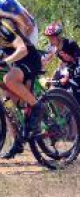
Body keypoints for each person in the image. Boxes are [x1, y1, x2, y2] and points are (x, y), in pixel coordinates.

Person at [0, 18, 43, 159]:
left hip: (29, 59)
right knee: (8, 102)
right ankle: (18, 140)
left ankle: (37, 106)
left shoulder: (4, 26)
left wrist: (5, 61)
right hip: (17, 63)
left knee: (9, 79)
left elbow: (22, 49)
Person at [42, 22, 80, 106]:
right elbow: (44, 60)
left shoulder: (71, 44)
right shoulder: (52, 47)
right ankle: (60, 115)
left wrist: (68, 76)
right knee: (52, 93)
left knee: (77, 106)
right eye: (48, 38)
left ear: (58, 37)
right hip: (67, 69)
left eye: (52, 38)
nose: (50, 40)